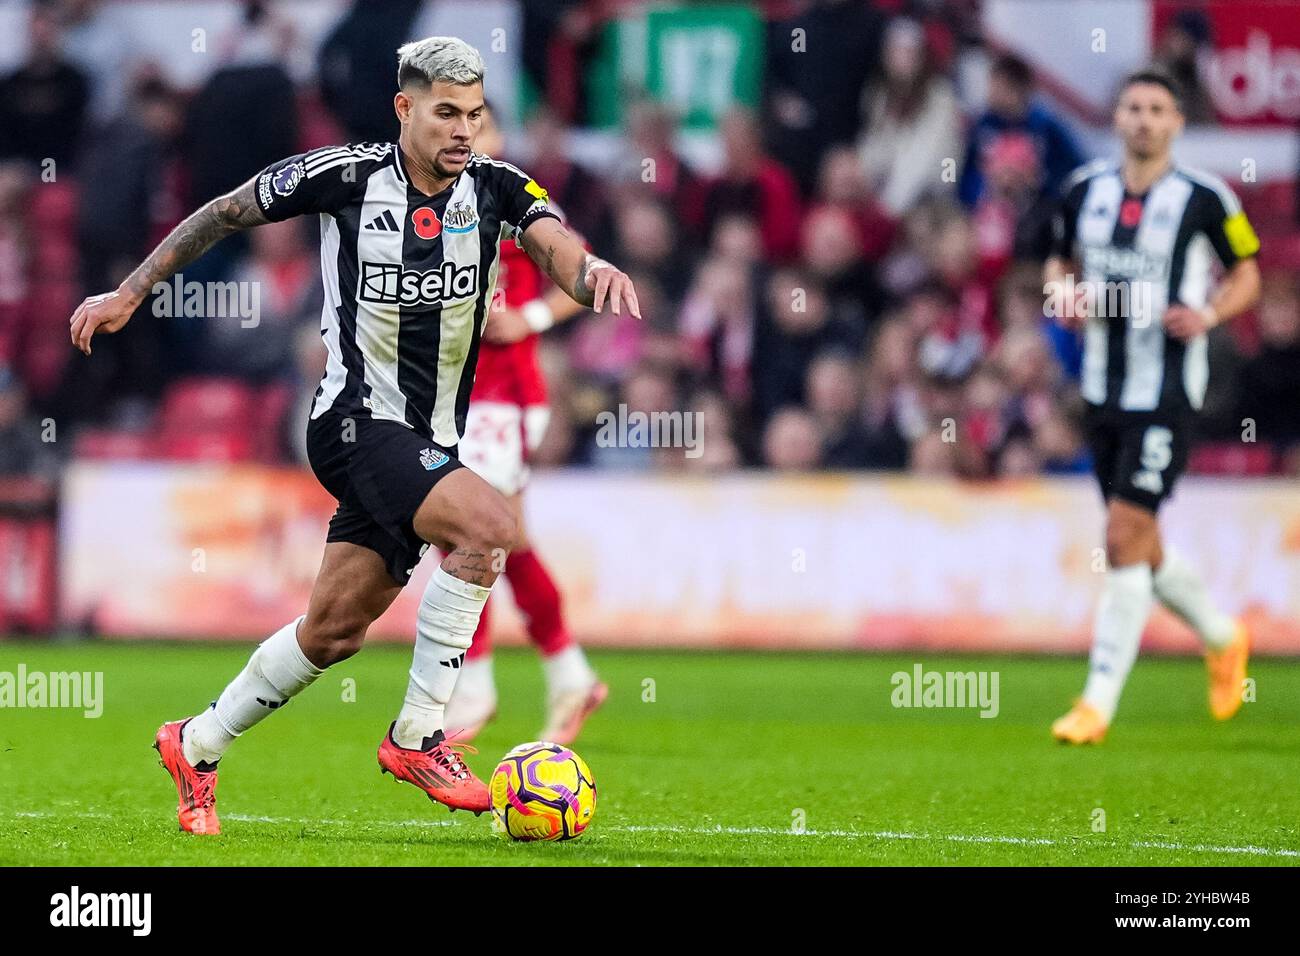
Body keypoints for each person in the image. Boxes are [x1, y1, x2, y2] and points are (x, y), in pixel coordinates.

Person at [68, 37, 640, 834]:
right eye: (445, 113)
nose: (462, 130)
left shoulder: (501, 186)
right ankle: (419, 736)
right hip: (352, 422)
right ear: (405, 109)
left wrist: (590, 273)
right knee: (488, 528)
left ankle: (194, 743)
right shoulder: (345, 176)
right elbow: (228, 209)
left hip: (426, 436)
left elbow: (554, 243)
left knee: (332, 633)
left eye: (474, 114)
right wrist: (131, 292)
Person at [1044, 69, 1260, 744]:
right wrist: (1063, 295)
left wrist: (1208, 313)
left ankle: (1096, 704)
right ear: (1116, 118)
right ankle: (1225, 640)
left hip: (1166, 393)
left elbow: (1250, 273)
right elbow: (1056, 263)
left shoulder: (1206, 198)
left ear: (1175, 123)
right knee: (1141, 541)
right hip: (1103, 388)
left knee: (1121, 537)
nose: (1143, 119)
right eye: (1132, 107)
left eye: (1157, 109)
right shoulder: (1084, 191)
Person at [443, 102, 607, 745]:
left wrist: (529, 320)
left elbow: (581, 265)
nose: (464, 137)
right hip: (455, 396)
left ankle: (474, 686)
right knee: (503, 541)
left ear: (499, 137)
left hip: (503, 396)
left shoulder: (510, 196)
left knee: (469, 535)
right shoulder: (430, 203)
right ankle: (569, 673)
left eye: (478, 126)